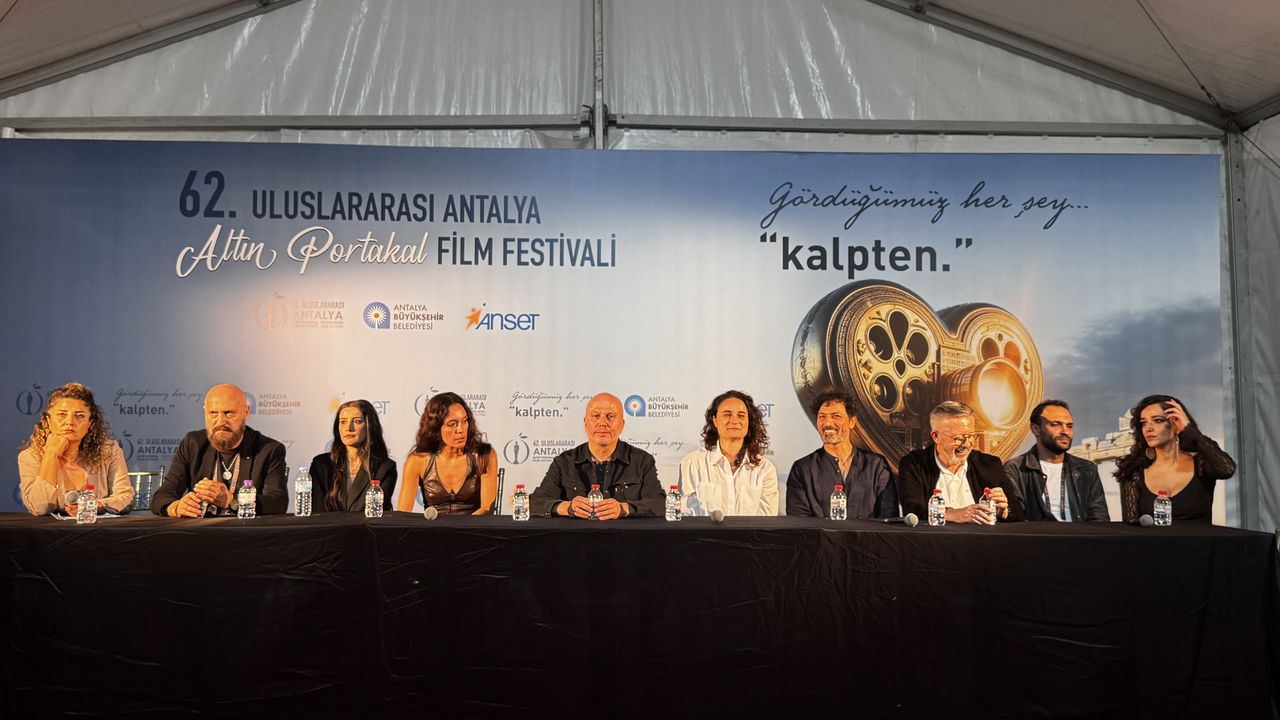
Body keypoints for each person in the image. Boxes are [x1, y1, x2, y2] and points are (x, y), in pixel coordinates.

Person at [150, 383, 288, 517]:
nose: (221, 421)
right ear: (205, 413)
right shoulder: (193, 444)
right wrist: (177, 507)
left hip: (246, 530)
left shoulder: (269, 450)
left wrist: (232, 501)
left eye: (229, 413)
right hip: (200, 530)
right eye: (213, 413)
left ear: (245, 413)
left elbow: (277, 503)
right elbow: (162, 497)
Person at [529, 392, 663, 519]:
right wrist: (568, 508)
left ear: (622, 425)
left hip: (624, 535)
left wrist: (624, 508)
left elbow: (659, 503)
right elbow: (535, 502)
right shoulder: (564, 462)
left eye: (610, 416)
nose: (603, 423)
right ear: (585, 423)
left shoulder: (642, 461)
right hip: (576, 535)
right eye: (596, 416)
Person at [1113, 394, 1235, 524]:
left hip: (1200, 538)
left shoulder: (1201, 463)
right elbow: (1130, 526)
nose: (1148, 428)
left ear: (1177, 425)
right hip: (1152, 538)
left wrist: (1191, 431)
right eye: (1144, 423)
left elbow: (1227, 470)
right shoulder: (1133, 471)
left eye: (1158, 420)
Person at [17, 382, 134, 516]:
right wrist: (51, 455)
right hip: (51, 529)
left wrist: (94, 505)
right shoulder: (30, 457)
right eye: (61, 415)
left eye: (79, 416)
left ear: (90, 423)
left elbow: (125, 498)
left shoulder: (109, 451)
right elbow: (40, 507)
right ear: (48, 421)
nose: (70, 422)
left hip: (97, 527)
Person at [898, 401, 1024, 524]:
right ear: (936, 436)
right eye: (958, 438)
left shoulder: (990, 465)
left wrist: (1003, 511)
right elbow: (911, 509)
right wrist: (952, 514)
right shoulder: (914, 464)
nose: (967, 444)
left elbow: (1018, 512)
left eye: (971, 436)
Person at [785, 390, 897, 519]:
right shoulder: (803, 469)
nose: (827, 423)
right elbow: (799, 521)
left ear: (852, 422)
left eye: (836, 416)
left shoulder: (876, 465)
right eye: (822, 417)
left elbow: (888, 516)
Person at [1004, 400, 1109, 522]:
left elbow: (1099, 518)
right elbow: (1015, 518)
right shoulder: (1015, 468)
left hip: (1080, 533)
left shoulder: (1086, 468)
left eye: (1069, 426)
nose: (1065, 431)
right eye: (1055, 425)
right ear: (1036, 429)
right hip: (1037, 533)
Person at [678, 390, 778, 516]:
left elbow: (767, 521)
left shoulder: (765, 469)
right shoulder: (692, 464)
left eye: (741, 415)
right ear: (715, 420)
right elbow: (685, 516)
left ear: (749, 422)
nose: (734, 421)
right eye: (727, 414)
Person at [395, 392, 497, 515]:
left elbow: (487, 509)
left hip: (475, 526)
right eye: (452, 424)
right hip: (433, 527)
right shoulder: (417, 460)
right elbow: (403, 513)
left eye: (464, 421)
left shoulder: (484, 455)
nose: (461, 429)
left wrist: (460, 527)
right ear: (436, 428)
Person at [310, 399, 398, 513]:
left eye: (357, 421)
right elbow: (317, 513)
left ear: (370, 426)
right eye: (343, 422)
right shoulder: (321, 464)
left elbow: (375, 514)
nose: (348, 428)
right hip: (326, 525)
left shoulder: (385, 468)